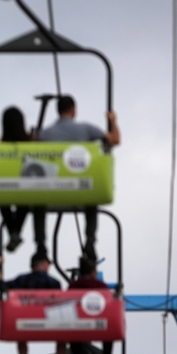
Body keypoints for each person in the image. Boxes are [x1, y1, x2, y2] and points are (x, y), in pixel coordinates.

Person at [38, 95, 121, 263]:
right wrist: (112, 121)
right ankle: (90, 241)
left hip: (52, 188)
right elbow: (115, 140)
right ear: (73, 109)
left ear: (58, 111)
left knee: (37, 202)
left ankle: (41, 244)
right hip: (78, 187)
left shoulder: (45, 134)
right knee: (92, 199)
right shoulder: (86, 129)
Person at [0, 252, 68, 354]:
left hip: (27, 324)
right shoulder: (54, 282)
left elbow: (1, 286)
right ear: (44, 264)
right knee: (62, 335)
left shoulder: (22, 280)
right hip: (49, 323)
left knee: (21, 336)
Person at [0, 107, 48, 259]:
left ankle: (14, 231)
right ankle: (15, 232)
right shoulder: (30, 144)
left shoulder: (1, 146)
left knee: (2, 201)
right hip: (26, 187)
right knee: (24, 203)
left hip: (6, 187)